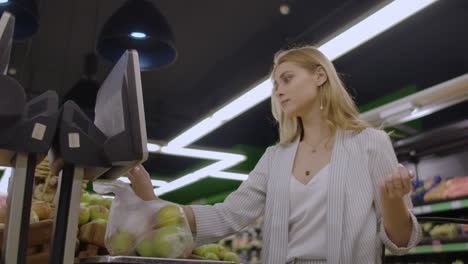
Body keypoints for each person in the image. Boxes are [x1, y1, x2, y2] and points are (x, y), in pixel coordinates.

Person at [128, 46, 422, 264]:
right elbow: (227, 216)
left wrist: (392, 200)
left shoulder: (371, 144)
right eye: (275, 85)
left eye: (287, 79)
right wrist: (154, 205)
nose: (279, 91)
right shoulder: (275, 158)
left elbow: (401, 242)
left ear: (319, 76)